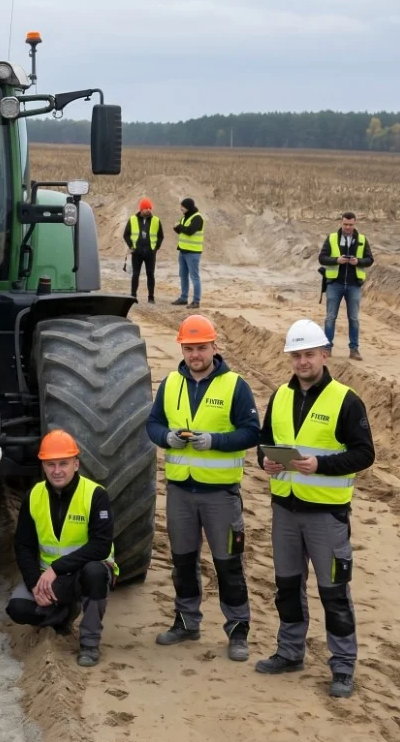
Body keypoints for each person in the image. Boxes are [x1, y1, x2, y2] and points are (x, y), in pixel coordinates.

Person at [255, 319, 375, 699]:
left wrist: (320, 466)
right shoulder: (280, 397)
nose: (302, 361)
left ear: (324, 355)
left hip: (327, 515)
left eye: (309, 354)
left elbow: (364, 454)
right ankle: (290, 653)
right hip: (285, 511)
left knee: (334, 592)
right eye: (296, 355)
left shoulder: (346, 399)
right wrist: (266, 462)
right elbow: (265, 443)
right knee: (288, 587)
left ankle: (342, 667)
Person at [146, 315, 260, 661]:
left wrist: (215, 441)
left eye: (201, 347)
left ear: (215, 347)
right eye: (189, 348)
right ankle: (185, 621)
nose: (195, 354)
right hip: (181, 491)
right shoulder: (170, 384)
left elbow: (252, 432)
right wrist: (165, 437)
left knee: (228, 564)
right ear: (182, 348)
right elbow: (153, 423)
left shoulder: (235, 386)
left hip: (220, 495)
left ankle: (238, 630)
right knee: (183, 562)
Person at [5, 430, 117, 667]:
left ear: (76, 464)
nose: (57, 470)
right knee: (18, 608)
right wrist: (36, 583)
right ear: (43, 466)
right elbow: (23, 545)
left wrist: (55, 569)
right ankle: (64, 613)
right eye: (51, 464)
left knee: (95, 573)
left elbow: (100, 546)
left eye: (63, 463)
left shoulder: (95, 495)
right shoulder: (34, 495)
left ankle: (89, 643)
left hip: (83, 573)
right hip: (50, 578)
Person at [318, 211, 373, 360]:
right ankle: (327, 348)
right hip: (334, 284)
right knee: (330, 317)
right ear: (341, 223)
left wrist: (358, 262)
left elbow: (370, 259)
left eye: (350, 225)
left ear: (354, 224)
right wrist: (337, 260)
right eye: (345, 224)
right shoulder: (332, 238)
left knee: (353, 318)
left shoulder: (361, 239)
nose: (348, 227)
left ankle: (354, 350)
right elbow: (322, 258)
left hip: (354, 285)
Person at [122, 197, 164, 303]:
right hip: (137, 252)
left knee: (150, 274)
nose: (149, 210)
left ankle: (151, 297)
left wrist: (155, 248)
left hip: (150, 253)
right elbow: (126, 234)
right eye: (146, 208)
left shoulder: (156, 220)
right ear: (141, 209)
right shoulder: (132, 219)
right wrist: (131, 246)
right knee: (135, 274)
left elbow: (161, 236)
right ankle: (133, 296)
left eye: (150, 208)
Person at [171, 197, 204, 307]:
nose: (181, 208)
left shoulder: (197, 218)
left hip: (193, 252)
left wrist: (179, 226)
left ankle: (196, 301)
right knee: (183, 276)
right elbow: (180, 230)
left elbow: (190, 231)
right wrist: (176, 227)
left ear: (188, 207)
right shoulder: (184, 218)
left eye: (183, 206)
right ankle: (183, 298)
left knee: (194, 277)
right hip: (183, 251)